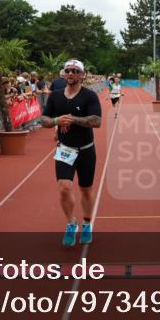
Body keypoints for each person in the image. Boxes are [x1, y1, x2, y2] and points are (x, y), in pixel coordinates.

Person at [40, 59, 102, 246]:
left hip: (86, 150)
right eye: (67, 70)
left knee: (86, 189)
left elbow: (96, 121)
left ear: (82, 74)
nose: (70, 73)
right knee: (64, 188)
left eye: (75, 71)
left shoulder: (89, 96)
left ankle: (87, 223)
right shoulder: (55, 96)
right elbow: (44, 119)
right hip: (65, 150)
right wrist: (56, 121)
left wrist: (73, 120)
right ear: (63, 73)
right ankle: (71, 223)